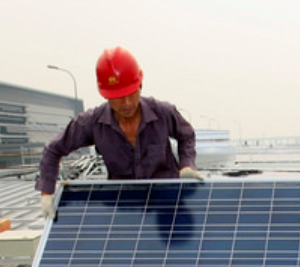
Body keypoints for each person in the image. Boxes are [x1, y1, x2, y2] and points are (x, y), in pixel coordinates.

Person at [36, 46, 202, 220]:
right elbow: (53, 149)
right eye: (118, 96)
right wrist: (47, 191)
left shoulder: (163, 112)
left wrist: (187, 164)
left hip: (166, 206)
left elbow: (187, 135)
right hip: (125, 209)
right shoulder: (93, 122)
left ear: (140, 85)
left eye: (131, 93)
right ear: (105, 95)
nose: (127, 103)